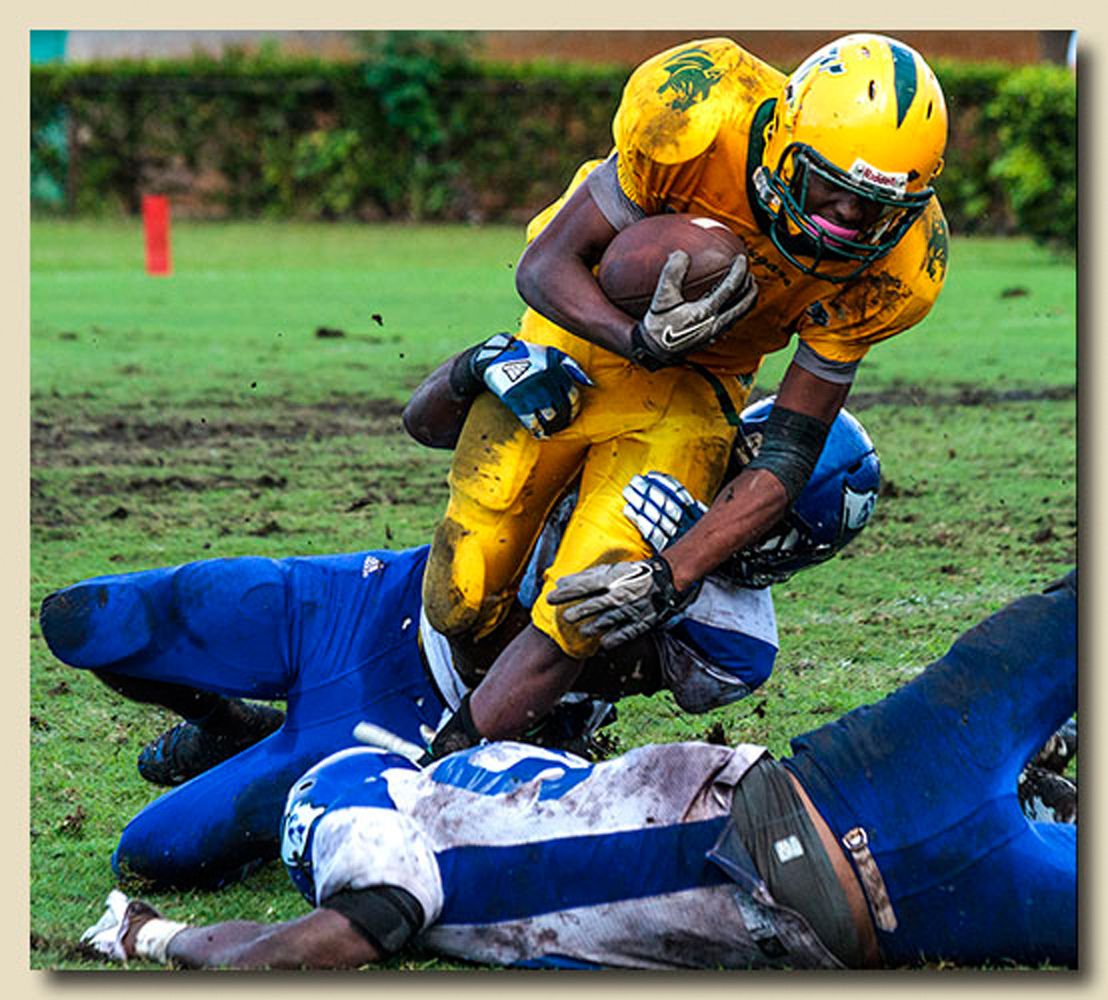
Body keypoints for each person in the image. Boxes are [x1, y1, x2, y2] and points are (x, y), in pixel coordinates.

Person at [39, 399, 881, 890]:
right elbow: (430, 414)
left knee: (147, 855)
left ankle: (270, 756)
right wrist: (491, 368)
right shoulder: (661, 427)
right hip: (368, 598)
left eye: (754, 498)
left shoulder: (736, 644)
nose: (730, 490)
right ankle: (231, 722)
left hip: (429, 721)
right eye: (735, 470)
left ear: (782, 540)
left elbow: (576, 653)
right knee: (88, 623)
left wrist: (669, 574)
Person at [80, 570, 1076, 970]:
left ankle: (1022, 782)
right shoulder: (364, 804)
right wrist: (162, 936)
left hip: (864, 922)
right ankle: (1019, 773)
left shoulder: (433, 808)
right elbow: (362, 919)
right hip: (837, 802)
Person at [416, 33, 951, 753]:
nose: (852, 219)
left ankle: (447, 759)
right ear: (788, 142)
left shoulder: (900, 268)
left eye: (877, 206)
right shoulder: (697, 113)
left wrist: (673, 574)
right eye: (837, 187)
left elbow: (789, 454)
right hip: (581, 337)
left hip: (698, 390)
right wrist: (633, 337)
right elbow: (546, 265)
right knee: (460, 593)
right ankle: (535, 702)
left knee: (590, 604)